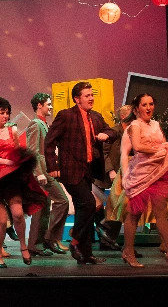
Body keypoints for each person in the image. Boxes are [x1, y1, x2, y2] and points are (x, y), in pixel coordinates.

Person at [44, 81, 117, 265]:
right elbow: (49, 142)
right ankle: (75, 241)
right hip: (71, 170)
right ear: (77, 99)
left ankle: (85, 254)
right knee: (89, 204)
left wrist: (107, 135)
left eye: (92, 95)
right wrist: (52, 166)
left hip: (88, 171)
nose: (91, 98)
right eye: (87, 95)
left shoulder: (96, 117)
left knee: (84, 209)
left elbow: (112, 131)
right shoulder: (66, 115)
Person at [0, 98, 47, 268]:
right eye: (2, 113)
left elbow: (17, 153)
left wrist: (22, 163)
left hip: (11, 178)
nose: (5, 116)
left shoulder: (12, 130)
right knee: (1, 219)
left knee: (18, 214)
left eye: (7, 113)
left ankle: (23, 246)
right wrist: (7, 162)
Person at [119, 93, 168, 268]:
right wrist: (158, 149)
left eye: (151, 104)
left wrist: (167, 155)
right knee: (134, 214)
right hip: (141, 174)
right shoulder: (135, 126)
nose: (148, 108)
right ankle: (128, 251)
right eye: (144, 105)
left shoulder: (156, 124)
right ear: (137, 109)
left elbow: (164, 144)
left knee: (162, 214)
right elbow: (137, 147)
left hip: (157, 172)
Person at [25, 93, 70, 256]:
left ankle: (35, 244)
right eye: (48, 104)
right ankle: (51, 238)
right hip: (42, 172)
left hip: (46, 170)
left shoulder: (44, 124)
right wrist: (38, 173)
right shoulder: (35, 124)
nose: (50, 107)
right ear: (39, 105)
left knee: (42, 207)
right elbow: (33, 151)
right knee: (62, 201)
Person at [95, 104, 132, 253]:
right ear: (123, 116)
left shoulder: (133, 131)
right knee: (114, 205)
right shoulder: (114, 132)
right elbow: (104, 153)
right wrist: (110, 170)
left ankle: (107, 236)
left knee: (121, 205)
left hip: (124, 174)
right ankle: (105, 235)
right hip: (108, 175)